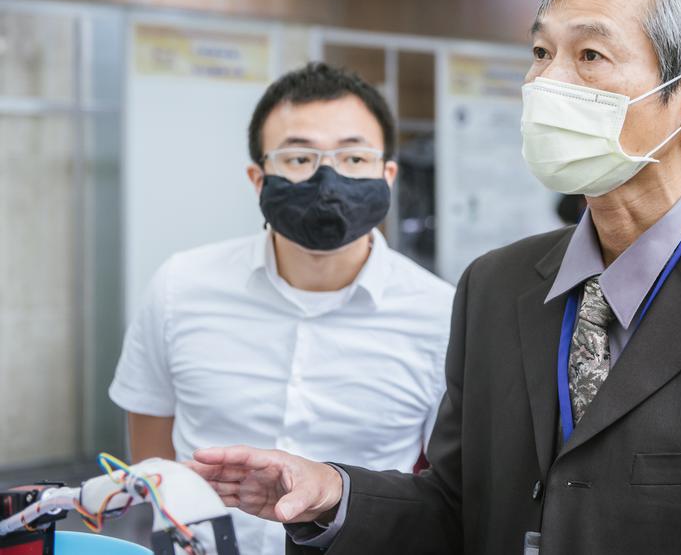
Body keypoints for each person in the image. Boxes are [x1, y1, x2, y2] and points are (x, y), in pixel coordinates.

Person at [192, 0, 681, 554]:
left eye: (589, 54)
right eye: (540, 52)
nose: (545, 82)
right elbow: (459, 507)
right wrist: (334, 494)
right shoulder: (496, 287)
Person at [108, 63, 454, 555]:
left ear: (388, 176)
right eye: (299, 158)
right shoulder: (180, 288)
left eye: (354, 157)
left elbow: (445, 487)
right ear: (258, 178)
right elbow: (152, 458)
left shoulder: (440, 314)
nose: (328, 179)